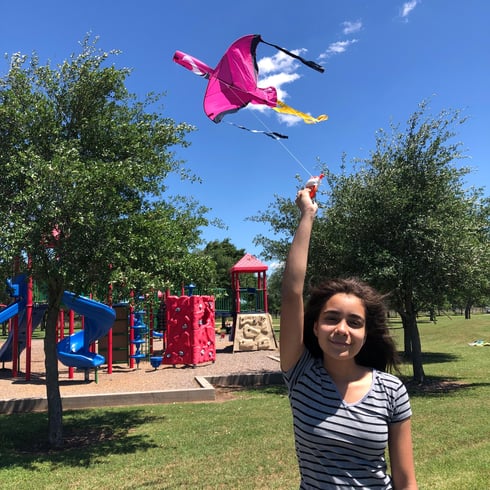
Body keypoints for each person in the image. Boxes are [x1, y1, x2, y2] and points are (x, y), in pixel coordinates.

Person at [280, 187, 417, 489]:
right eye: (331, 318)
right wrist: (307, 215)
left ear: (365, 333)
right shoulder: (301, 374)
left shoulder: (390, 390)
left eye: (354, 322)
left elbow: (406, 480)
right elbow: (291, 293)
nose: (342, 329)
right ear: (314, 327)